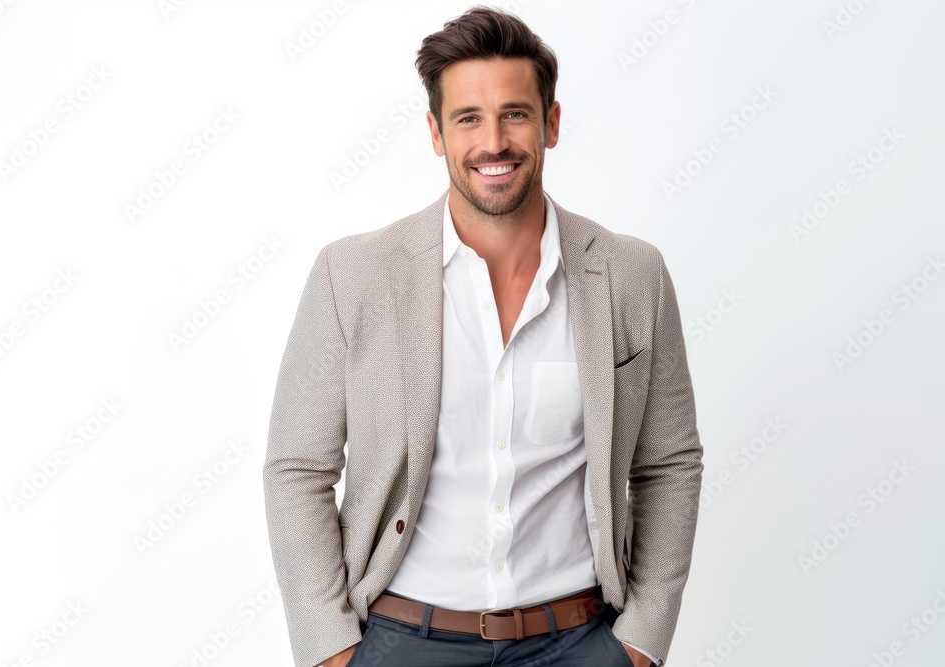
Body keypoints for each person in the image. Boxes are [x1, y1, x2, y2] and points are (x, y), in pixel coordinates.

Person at [263, 7, 703, 667]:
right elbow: (297, 465)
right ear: (436, 133)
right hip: (403, 641)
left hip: (580, 641)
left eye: (515, 114)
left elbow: (669, 462)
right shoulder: (350, 275)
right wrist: (330, 648)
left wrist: (640, 640)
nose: (493, 141)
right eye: (468, 117)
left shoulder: (631, 274)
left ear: (551, 124)